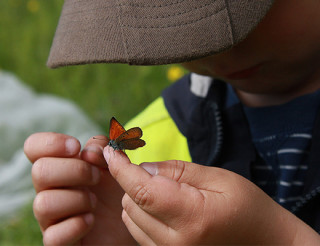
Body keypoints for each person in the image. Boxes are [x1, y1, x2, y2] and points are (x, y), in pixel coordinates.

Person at [24, 0, 320, 244]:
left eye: (252, 13)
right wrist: (129, 239)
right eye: (178, 26)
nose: (220, 47)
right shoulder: (157, 140)